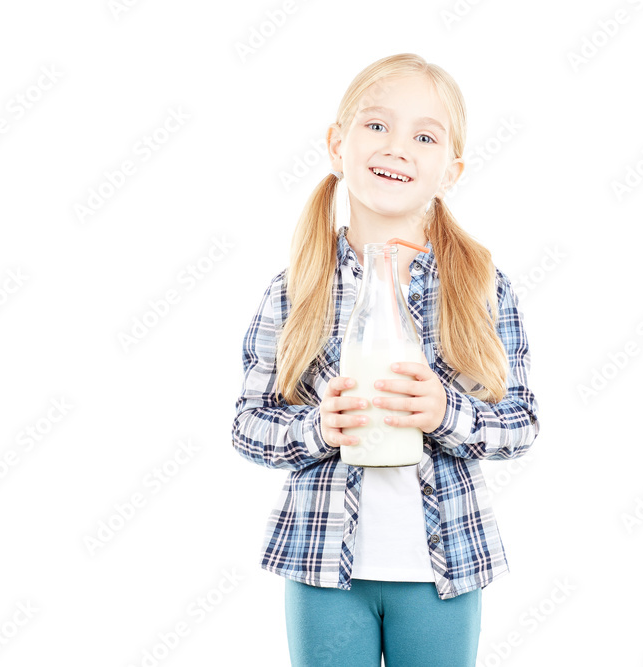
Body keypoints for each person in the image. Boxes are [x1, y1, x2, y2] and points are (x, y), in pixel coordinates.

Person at [232, 52, 539, 666]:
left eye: (424, 136)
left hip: (444, 564)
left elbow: (521, 423)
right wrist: (317, 428)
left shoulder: (479, 287)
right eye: (377, 126)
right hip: (321, 562)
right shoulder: (297, 288)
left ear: (449, 171)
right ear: (337, 144)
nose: (397, 148)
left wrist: (445, 414)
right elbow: (248, 424)